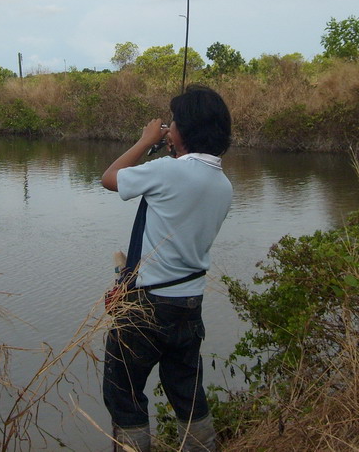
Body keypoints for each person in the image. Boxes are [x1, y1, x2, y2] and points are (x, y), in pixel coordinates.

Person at [100, 85, 233, 452]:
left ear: (185, 131)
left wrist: (145, 141)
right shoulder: (223, 185)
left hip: (146, 304)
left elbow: (109, 178)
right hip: (189, 305)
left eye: (173, 123)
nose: (168, 129)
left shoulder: (166, 171)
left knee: (123, 391)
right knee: (186, 391)